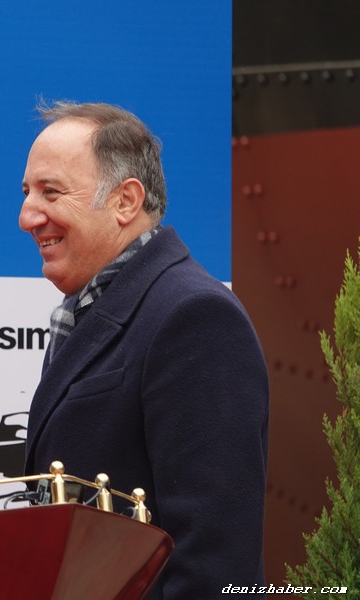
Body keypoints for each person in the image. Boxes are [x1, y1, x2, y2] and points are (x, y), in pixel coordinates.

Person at [19, 101, 269, 599]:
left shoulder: (195, 317)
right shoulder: (91, 309)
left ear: (126, 201)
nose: (27, 216)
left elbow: (216, 559)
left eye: (51, 192)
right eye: (26, 193)